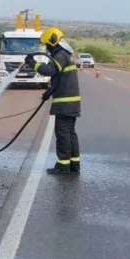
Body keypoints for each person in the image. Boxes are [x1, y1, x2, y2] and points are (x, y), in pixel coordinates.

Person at [25, 28, 81, 175]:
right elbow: (60, 80)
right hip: (71, 102)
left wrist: (32, 63)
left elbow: (49, 71)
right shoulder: (65, 55)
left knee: (63, 133)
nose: (47, 49)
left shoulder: (60, 55)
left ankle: (63, 166)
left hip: (65, 103)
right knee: (70, 133)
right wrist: (48, 92)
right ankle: (74, 164)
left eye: (47, 45)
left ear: (53, 41)